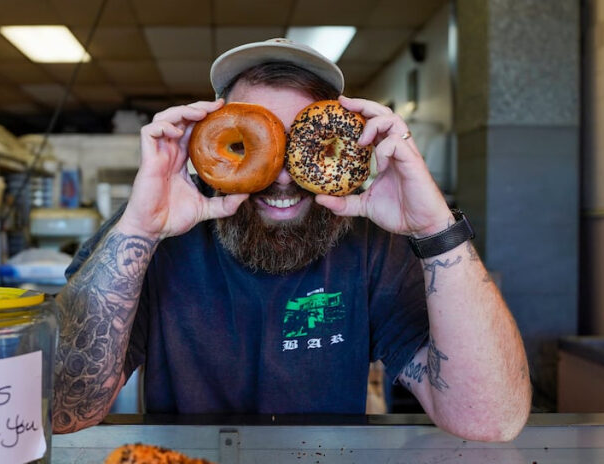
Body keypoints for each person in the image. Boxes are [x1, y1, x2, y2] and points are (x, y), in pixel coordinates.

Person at [51, 38, 531, 442]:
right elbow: (61, 409)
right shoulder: (154, 227)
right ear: (213, 139)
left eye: (300, 143)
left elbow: (489, 419)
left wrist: (435, 229)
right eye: (254, 142)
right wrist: (140, 229)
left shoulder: (372, 241)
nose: (282, 176)